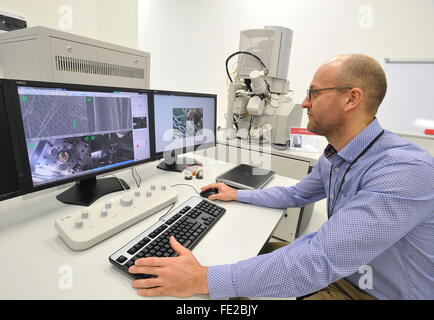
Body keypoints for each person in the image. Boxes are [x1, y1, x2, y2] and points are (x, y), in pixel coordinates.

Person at [128, 54, 434, 300]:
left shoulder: (405, 170)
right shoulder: (336, 154)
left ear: (351, 98)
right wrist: (238, 194)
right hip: (345, 271)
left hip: (369, 291)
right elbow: (297, 195)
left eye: (314, 92)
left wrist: (202, 279)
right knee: (240, 251)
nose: (304, 103)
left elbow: (321, 258)